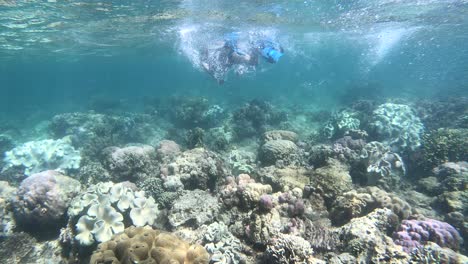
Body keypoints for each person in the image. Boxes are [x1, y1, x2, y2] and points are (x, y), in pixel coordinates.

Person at [201, 32, 284, 84]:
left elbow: (245, 58)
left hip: (231, 50)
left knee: (218, 67)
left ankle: (215, 73)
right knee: (215, 67)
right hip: (228, 49)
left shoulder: (252, 51)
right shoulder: (223, 56)